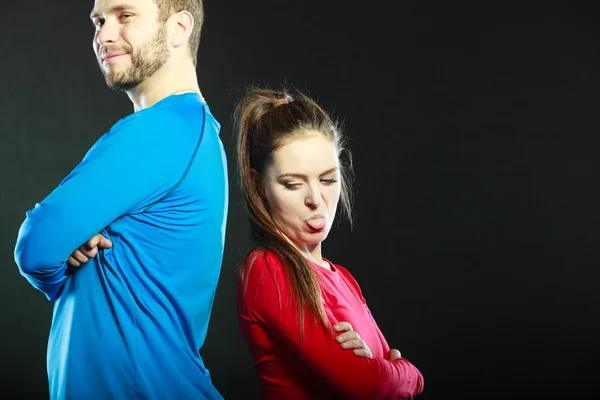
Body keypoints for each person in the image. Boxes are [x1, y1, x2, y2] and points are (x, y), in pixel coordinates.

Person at [14, 0, 227, 399]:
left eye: (125, 15)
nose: (104, 35)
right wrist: (70, 246)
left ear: (179, 28)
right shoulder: (189, 129)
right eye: (99, 20)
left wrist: (61, 264)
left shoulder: (163, 129)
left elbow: (36, 246)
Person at [234, 87, 424, 399]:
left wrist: (380, 370)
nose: (315, 200)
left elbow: (375, 377)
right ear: (260, 185)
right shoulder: (267, 269)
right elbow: (368, 384)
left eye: (328, 180)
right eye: (293, 184)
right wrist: (408, 373)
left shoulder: (344, 279)